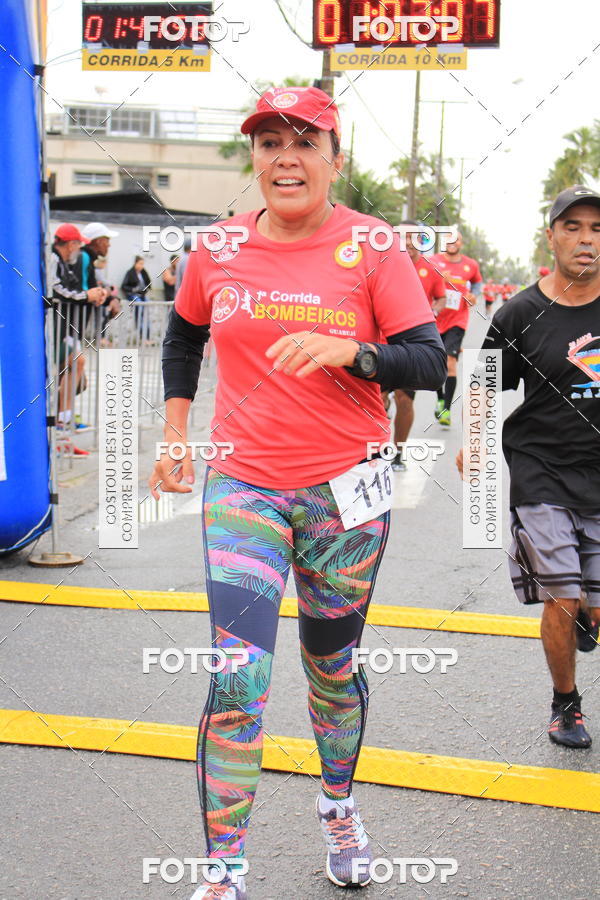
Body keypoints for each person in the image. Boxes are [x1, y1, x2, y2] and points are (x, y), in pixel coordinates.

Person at [149, 85, 446, 900]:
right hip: (243, 488)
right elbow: (183, 334)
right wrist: (177, 431)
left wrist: (354, 353)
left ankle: (339, 807)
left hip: (345, 495)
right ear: (255, 159)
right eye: (270, 143)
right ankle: (223, 871)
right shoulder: (215, 249)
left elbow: (428, 360)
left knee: (330, 666)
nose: (286, 157)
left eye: (304, 143)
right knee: (237, 678)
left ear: (333, 159)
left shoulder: (375, 246)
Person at [457, 185, 600, 748]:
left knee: (591, 602)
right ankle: (566, 703)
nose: (586, 240)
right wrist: (475, 439)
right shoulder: (519, 312)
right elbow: (485, 381)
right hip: (541, 471)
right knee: (561, 596)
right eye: (574, 228)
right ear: (552, 236)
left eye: (597, 230)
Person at [384, 222, 447, 471]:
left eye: (413, 238)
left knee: (404, 400)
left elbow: (442, 297)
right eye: (402, 237)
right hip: (378, 342)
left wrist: (433, 311)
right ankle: (374, 452)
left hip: (411, 343)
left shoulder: (430, 270)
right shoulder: (380, 264)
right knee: (376, 400)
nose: (408, 243)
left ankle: (398, 452)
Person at [49, 223, 104, 456]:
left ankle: (63, 423)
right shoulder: (53, 258)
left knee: (76, 366)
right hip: (54, 329)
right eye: (77, 244)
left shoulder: (64, 261)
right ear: (70, 244)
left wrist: (94, 294)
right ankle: (61, 423)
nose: (79, 249)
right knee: (70, 368)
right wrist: (87, 296)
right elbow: (55, 290)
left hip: (64, 329)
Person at [431, 232, 483, 427]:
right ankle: (440, 398)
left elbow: (477, 284)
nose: (452, 243)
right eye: (448, 240)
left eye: (456, 240)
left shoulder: (471, 265)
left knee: (450, 361)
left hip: (458, 319)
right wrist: (439, 278)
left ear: (461, 243)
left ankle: (446, 410)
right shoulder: (433, 261)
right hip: (434, 318)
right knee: (437, 361)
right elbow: (420, 281)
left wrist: (474, 294)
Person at [121, 255, 152, 340]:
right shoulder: (130, 273)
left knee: (147, 312)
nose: (141, 266)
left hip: (142, 295)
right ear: (135, 263)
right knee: (140, 311)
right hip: (134, 295)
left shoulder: (143, 272)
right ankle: (142, 335)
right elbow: (124, 286)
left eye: (143, 264)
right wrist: (134, 289)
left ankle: (147, 336)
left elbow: (149, 283)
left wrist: (146, 288)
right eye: (140, 263)